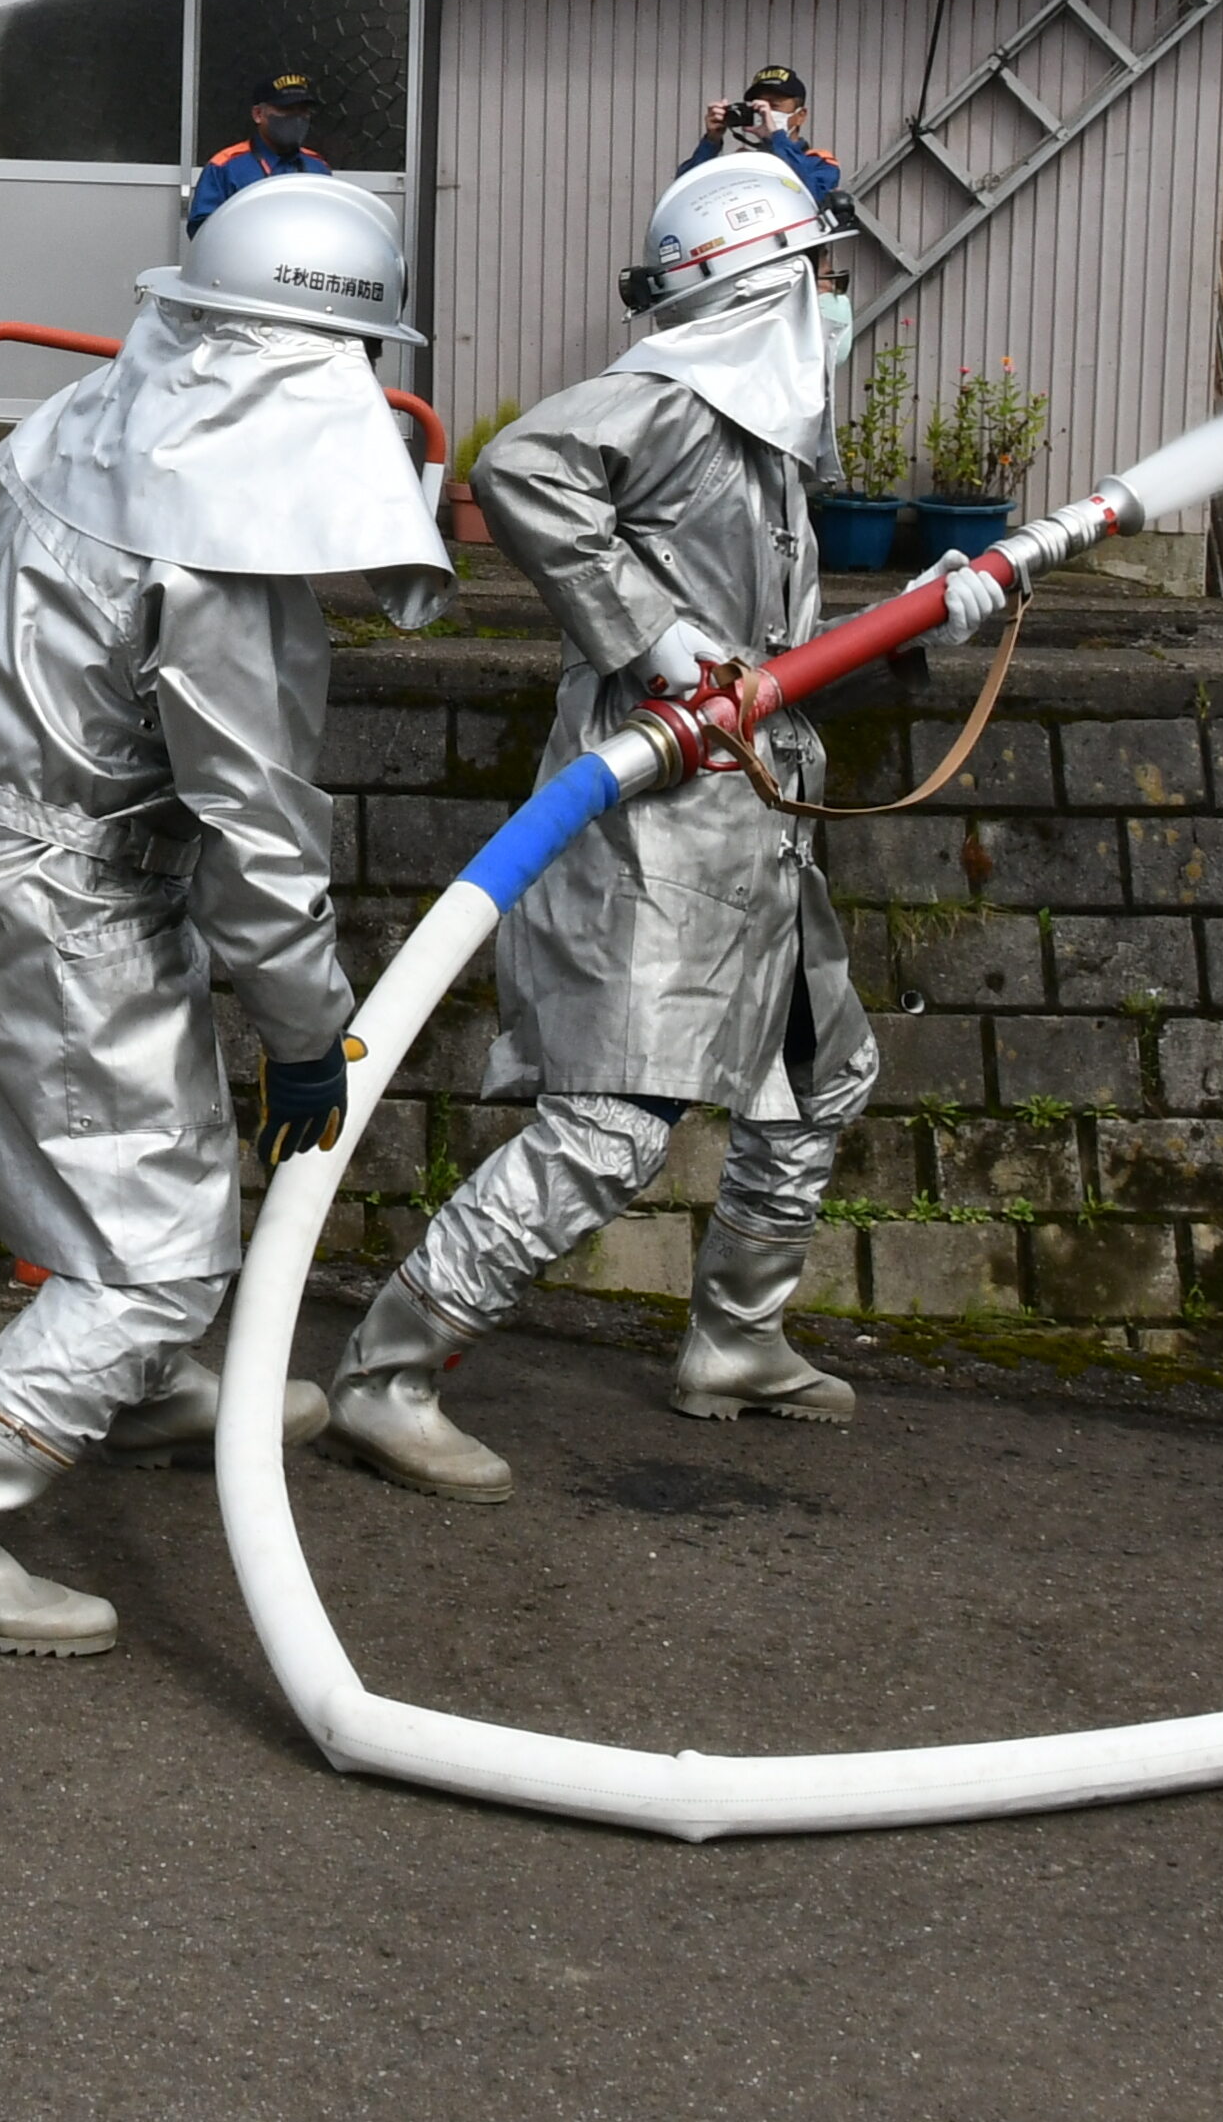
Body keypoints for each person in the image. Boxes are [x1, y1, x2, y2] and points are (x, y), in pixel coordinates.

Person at [0, 174, 449, 1660]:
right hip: (62, 894)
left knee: (167, 1143)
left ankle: (142, 1387)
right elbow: (257, 831)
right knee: (153, 1252)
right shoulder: (223, 552)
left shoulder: (96, 429)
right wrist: (313, 1034)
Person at [329, 145, 884, 1502]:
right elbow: (521, 469)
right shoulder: (676, 402)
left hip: (753, 819)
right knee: (613, 1128)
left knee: (820, 1076)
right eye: (821, 271)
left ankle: (738, 1341)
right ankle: (388, 1373)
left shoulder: (748, 429)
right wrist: (661, 642)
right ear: (768, 279)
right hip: (656, 814)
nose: (835, 295)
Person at [182, 68, 335, 229]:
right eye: (286, 110)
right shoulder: (226, 166)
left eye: (303, 111)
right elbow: (202, 231)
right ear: (258, 114)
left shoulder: (318, 167)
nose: (296, 118)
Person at [686, 60, 846, 206]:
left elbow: (811, 197)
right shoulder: (742, 162)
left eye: (774, 106)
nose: (766, 112)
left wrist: (776, 137)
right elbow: (685, 195)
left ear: (800, 116)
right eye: (760, 106)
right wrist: (711, 141)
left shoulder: (820, 161)